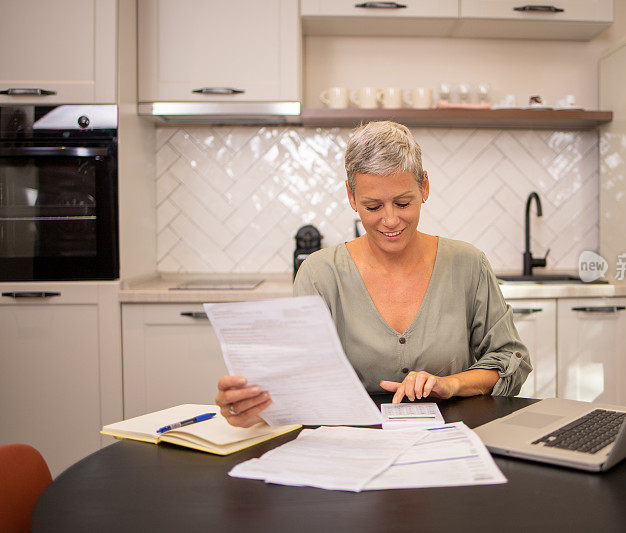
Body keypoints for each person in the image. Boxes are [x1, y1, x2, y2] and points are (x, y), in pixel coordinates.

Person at [216, 121, 531, 427]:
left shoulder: (468, 264)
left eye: (403, 202)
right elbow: (300, 380)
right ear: (351, 198)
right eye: (373, 206)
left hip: (451, 441)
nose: (390, 220)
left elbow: (510, 358)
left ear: (425, 187)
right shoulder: (319, 274)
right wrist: (255, 408)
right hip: (349, 448)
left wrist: (450, 384)